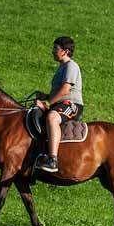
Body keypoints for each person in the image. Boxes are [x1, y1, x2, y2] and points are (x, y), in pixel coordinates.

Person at [35, 36, 83, 173]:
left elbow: (65, 90)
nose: (52, 51)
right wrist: (46, 96)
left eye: (56, 48)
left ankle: (52, 160)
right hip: (61, 104)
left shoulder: (71, 66)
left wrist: (47, 102)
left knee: (52, 118)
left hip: (72, 105)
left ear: (65, 51)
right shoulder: (62, 67)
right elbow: (59, 92)